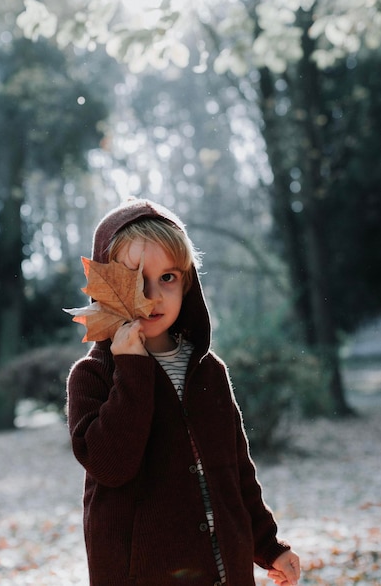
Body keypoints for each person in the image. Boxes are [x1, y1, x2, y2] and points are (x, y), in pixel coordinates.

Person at [67, 198, 301, 586]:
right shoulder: (93, 377)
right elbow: (111, 465)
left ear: (187, 282)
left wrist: (270, 545)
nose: (153, 295)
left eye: (168, 278)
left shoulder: (209, 372)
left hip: (227, 567)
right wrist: (132, 368)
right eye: (136, 278)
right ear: (107, 288)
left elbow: (236, 471)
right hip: (142, 573)